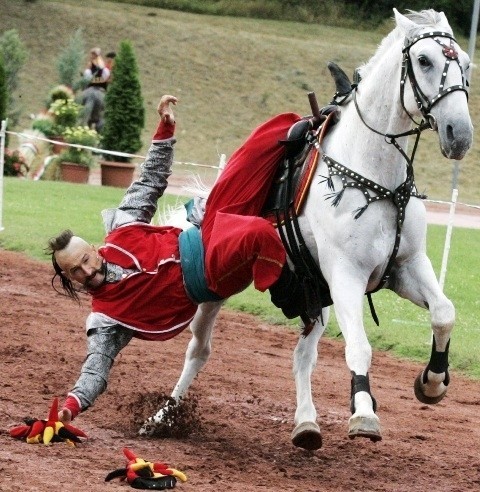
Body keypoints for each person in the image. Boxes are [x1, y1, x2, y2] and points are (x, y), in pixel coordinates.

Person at [49, 95, 307, 426]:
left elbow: (151, 177)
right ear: (71, 280)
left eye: (85, 260)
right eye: (77, 272)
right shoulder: (106, 319)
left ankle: (326, 126)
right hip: (210, 274)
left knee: (269, 135)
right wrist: (71, 406)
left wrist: (165, 126)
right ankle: (291, 294)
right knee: (256, 232)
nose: (86, 271)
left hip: (207, 227)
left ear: (96, 249)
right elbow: (96, 367)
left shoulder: (123, 227)